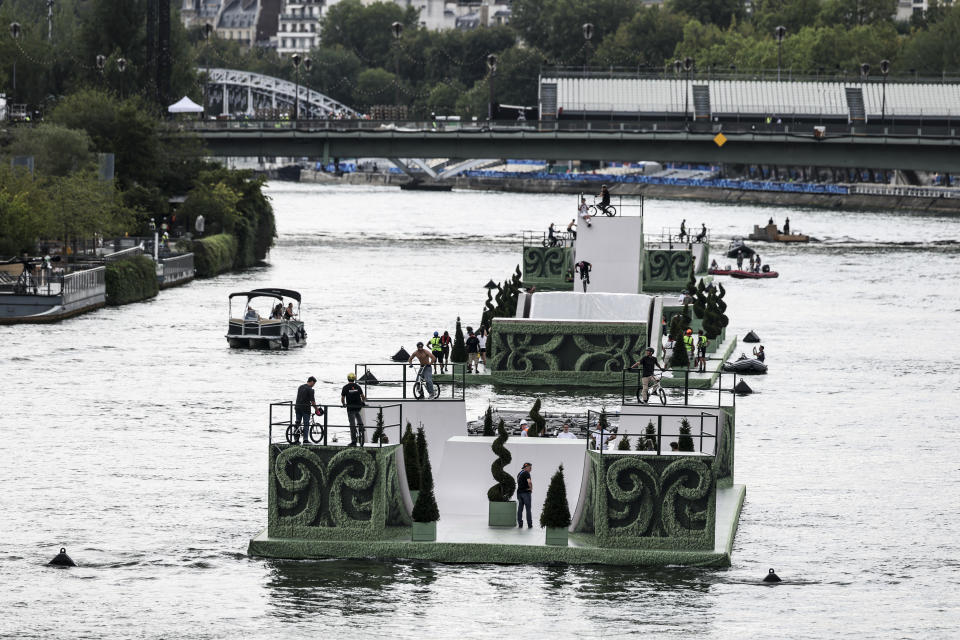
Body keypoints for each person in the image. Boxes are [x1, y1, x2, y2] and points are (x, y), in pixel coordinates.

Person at [341, 373, 366, 446]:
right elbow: (362, 396)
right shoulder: (358, 386)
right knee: (357, 413)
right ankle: (361, 426)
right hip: (358, 406)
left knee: (352, 424)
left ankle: (354, 441)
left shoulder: (345, 387)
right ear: (354, 379)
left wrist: (343, 404)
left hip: (350, 407)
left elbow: (342, 398)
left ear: (348, 379)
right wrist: (363, 402)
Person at [294, 376, 318, 445]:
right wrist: (316, 409)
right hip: (305, 409)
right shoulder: (311, 390)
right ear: (312, 382)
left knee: (297, 422)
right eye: (314, 384)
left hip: (297, 407)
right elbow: (313, 402)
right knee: (306, 424)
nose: (313, 385)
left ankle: (296, 439)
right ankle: (305, 440)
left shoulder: (300, 387)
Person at [516, 462, 533, 528]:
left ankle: (520, 523)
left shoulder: (519, 473)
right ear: (526, 467)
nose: (531, 469)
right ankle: (529, 524)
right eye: (530, 467)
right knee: (528, 509)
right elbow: (529, 482)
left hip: (519, 493)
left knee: (520, 509)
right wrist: (531, 489)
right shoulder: (526, 473)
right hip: (526, 493)